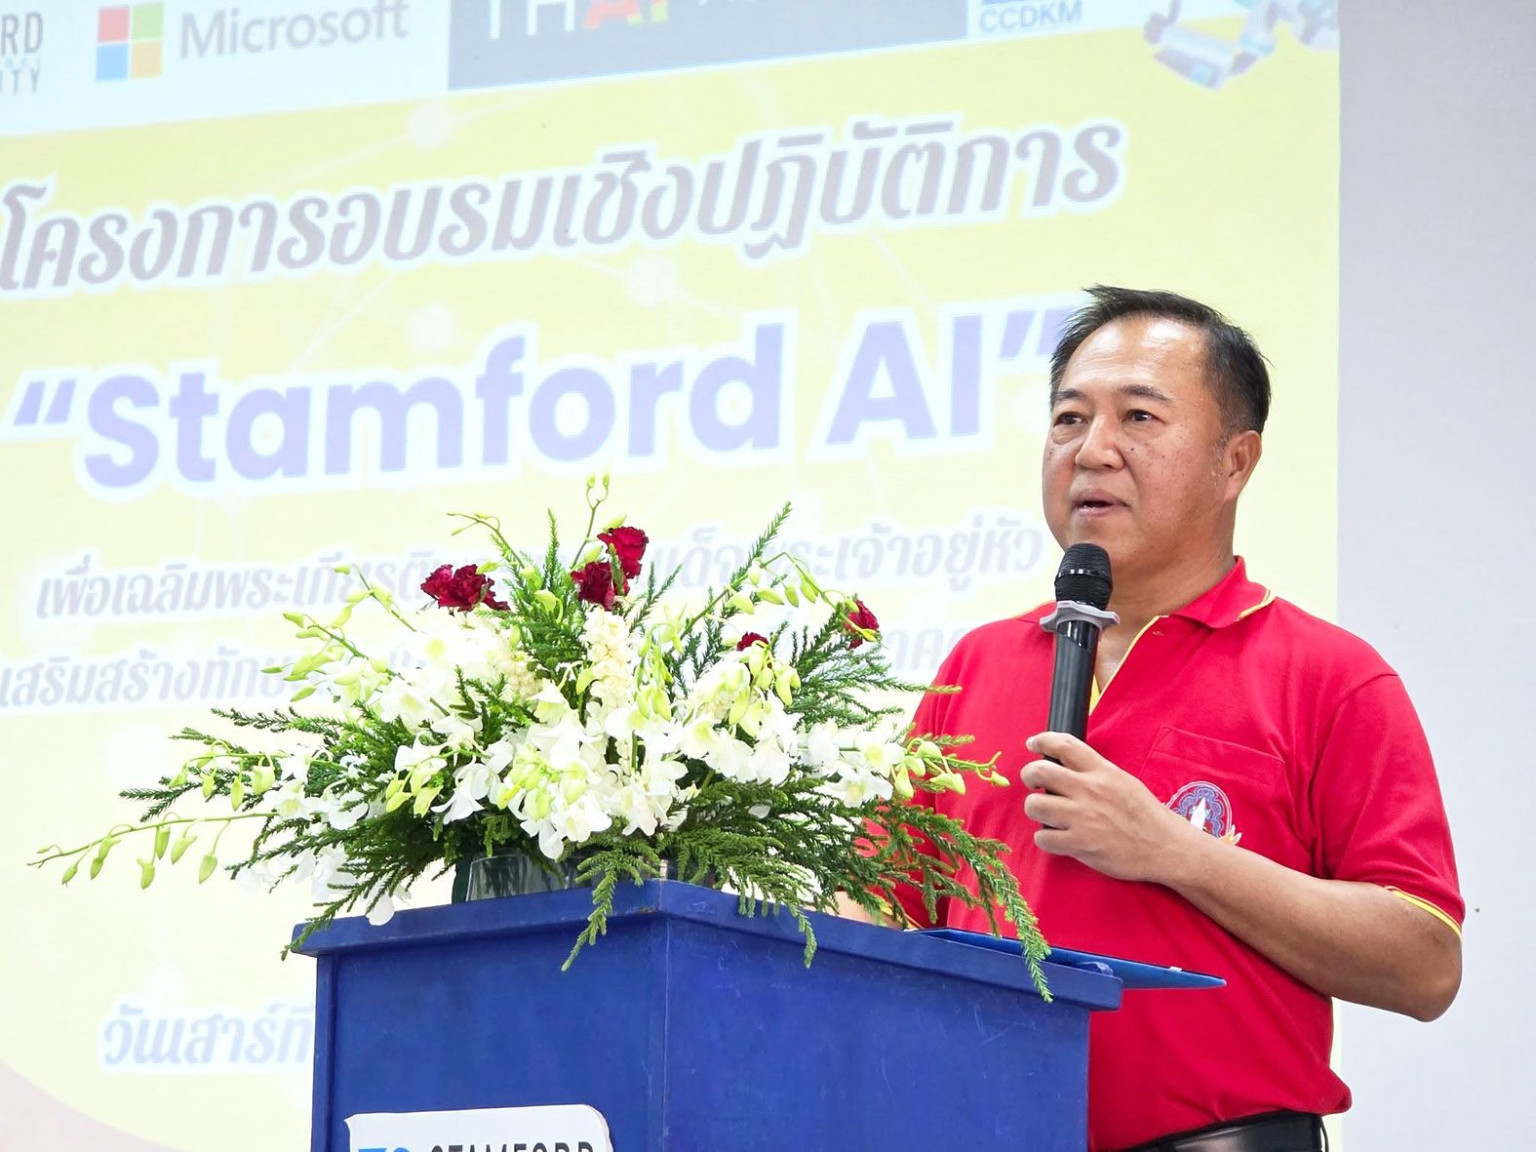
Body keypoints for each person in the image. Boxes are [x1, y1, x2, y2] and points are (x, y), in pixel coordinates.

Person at [888, 287, 1463, 1152]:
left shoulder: (1331, 677)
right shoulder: (978, 663)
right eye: (1069, 419)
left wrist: (1174, 852)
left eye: (1139, 417)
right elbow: (883, 901)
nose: (1093, 451)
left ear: (1235, 463)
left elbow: (1425, 964)